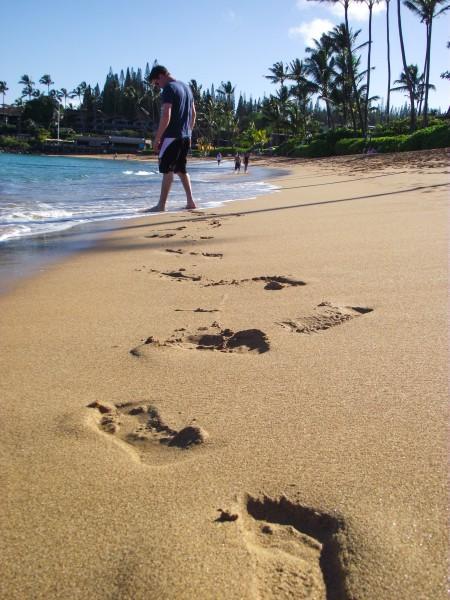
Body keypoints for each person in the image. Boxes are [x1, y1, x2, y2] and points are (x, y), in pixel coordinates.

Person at [143, 65, 196, 212]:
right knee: (181, 169)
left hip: (171, 136)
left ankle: (161, 205)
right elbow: (193, 114)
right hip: (185, 136)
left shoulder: (169, 88)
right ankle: (190, 201)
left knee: (167, 170)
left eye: (156, 83)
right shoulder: (186, 88)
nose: (158, 87)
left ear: (161, 76)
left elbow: (166, 115)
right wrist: (188, 132)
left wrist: (157, 138)